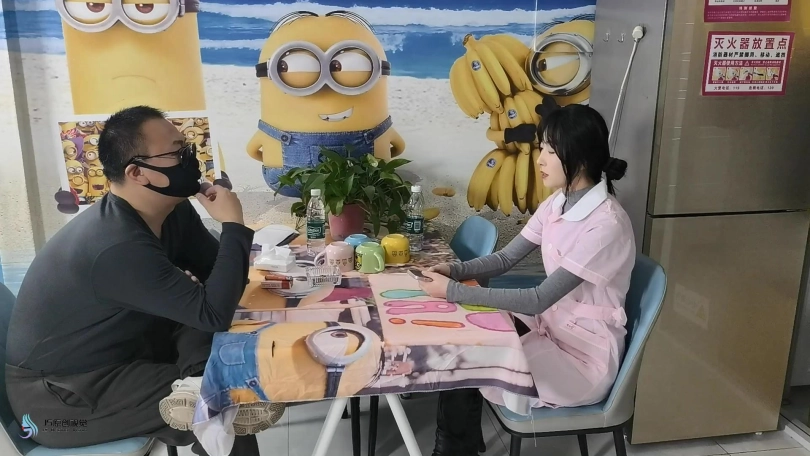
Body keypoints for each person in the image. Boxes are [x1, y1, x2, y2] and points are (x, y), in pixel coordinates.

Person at [5, 106, 281, 456]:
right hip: (60, 401)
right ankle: (205, 388)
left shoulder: (172, 211)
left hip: (126, 354)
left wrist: (207, 283)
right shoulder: (114, 244)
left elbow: (219, 282)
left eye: (187, 147)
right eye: (177, 152)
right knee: (227, 390)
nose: (190, 158)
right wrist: (234, 226)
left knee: (206, 333)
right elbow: (214, 311)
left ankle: (197, 380)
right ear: (137, 172)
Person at [419, 103, 636, 456]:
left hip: (582, 360)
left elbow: (538, 299)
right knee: (467, 336)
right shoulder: (558, 204)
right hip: (552, 330)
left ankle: (454, 450)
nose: (540, 159)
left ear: (579, 158)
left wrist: (453, 291)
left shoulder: (606, 225)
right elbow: (505, 259)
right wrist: (454, 271)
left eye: (550, 150)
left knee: (467, 356)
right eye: (541, 148)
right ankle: (462, 445)